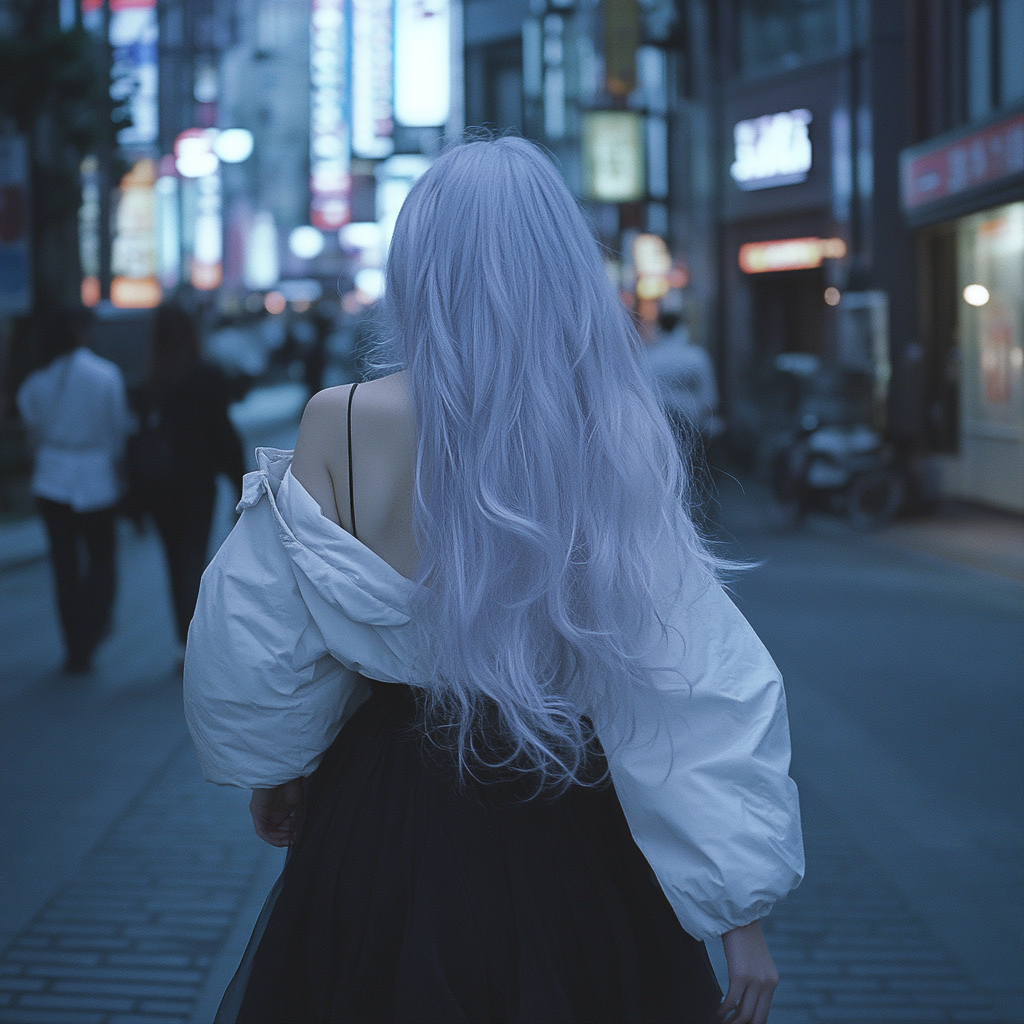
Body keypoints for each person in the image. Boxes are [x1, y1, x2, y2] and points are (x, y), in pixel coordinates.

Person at [184, 138, 804, 1024]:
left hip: (383, 809)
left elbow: (260, 632)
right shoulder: (611, 428)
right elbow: (687, 672)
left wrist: (275, 770)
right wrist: (739, 910)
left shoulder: (343, 419)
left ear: (417, 265)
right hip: (567, 807)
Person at [17, 305, 132, 673]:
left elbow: (31, 433)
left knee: (64, 566)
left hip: (52, 478)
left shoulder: (35, 383)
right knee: (101, 558)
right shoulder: (105, 375)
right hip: (96, 475)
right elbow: (117, 431)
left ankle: (74, 644)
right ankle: (96, 624)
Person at [129, 301, 245, 654]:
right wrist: (239, 481)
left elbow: (134, 440)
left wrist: (133, 501)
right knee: (195, 555)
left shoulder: (147, 381)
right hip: (197, 481)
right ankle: (196, 638)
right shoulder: (206, 374)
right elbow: (222, 432)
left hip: (158, 484)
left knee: (172, 557)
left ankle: (184, 636)